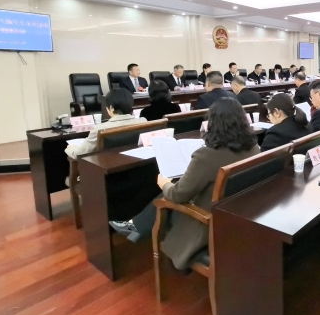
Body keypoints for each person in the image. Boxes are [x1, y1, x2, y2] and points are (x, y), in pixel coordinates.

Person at [111, 98, 260, 264]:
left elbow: (178, 195)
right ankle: (134, 226)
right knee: (171, 190)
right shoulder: (254, 147)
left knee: (165, 195)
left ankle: (135, 227)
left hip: (208, 222)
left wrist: (164, 183)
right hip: (237, 212)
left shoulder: (207, 155)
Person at [65, 89, 144, 159]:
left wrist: (70, 148)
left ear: (111, 108)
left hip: (106, 167)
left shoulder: (99, 129)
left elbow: (79, 154)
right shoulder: (143, 122)